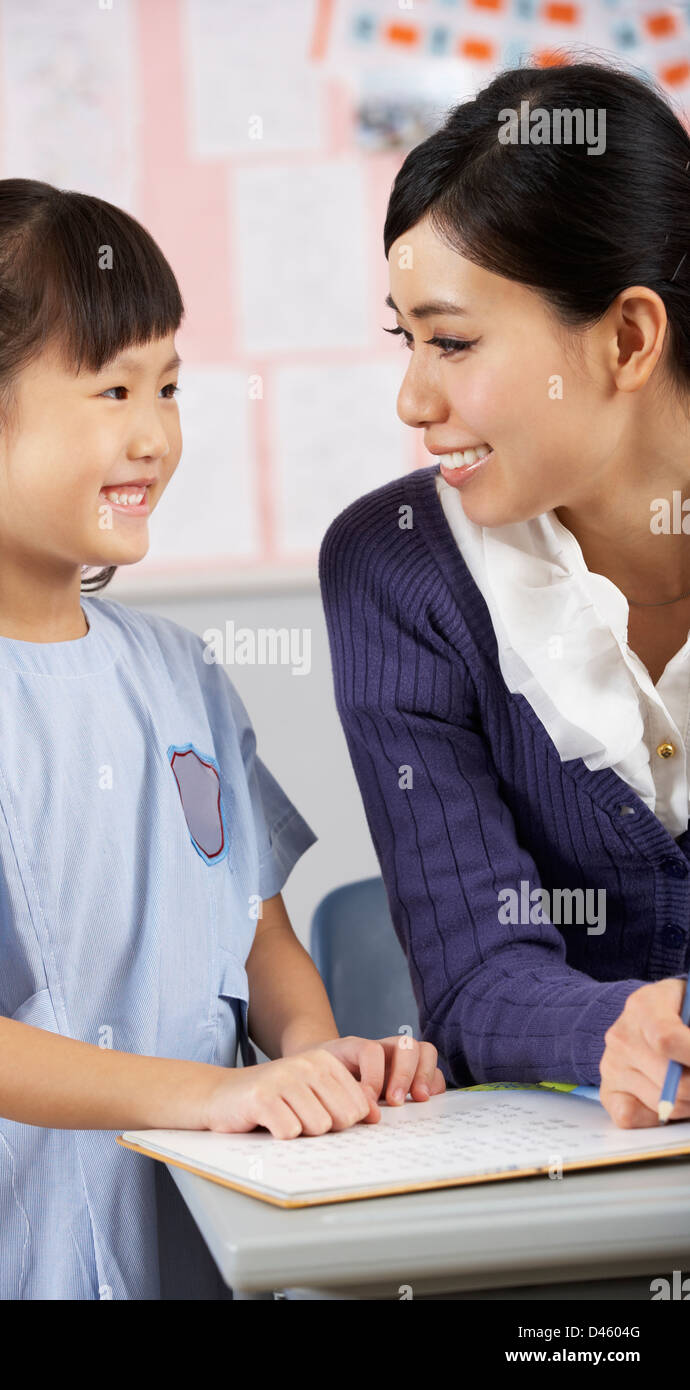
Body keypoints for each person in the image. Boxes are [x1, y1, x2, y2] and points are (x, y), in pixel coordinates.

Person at [0, 180, 444, 1300]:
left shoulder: (180, 674)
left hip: (198, 1232)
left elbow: (258, 936)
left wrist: (310, 1054)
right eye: (111, 388)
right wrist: (206, 1094)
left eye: (167, 384)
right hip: (0, 1264)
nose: (153, 432)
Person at [319, 61, 690, 1132]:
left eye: (452, 342)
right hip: (546, 1174)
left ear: (625, 338)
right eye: (406, 339)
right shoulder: (393, 566)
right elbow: (474, 972)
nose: (412, 397)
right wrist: (617, 1032)